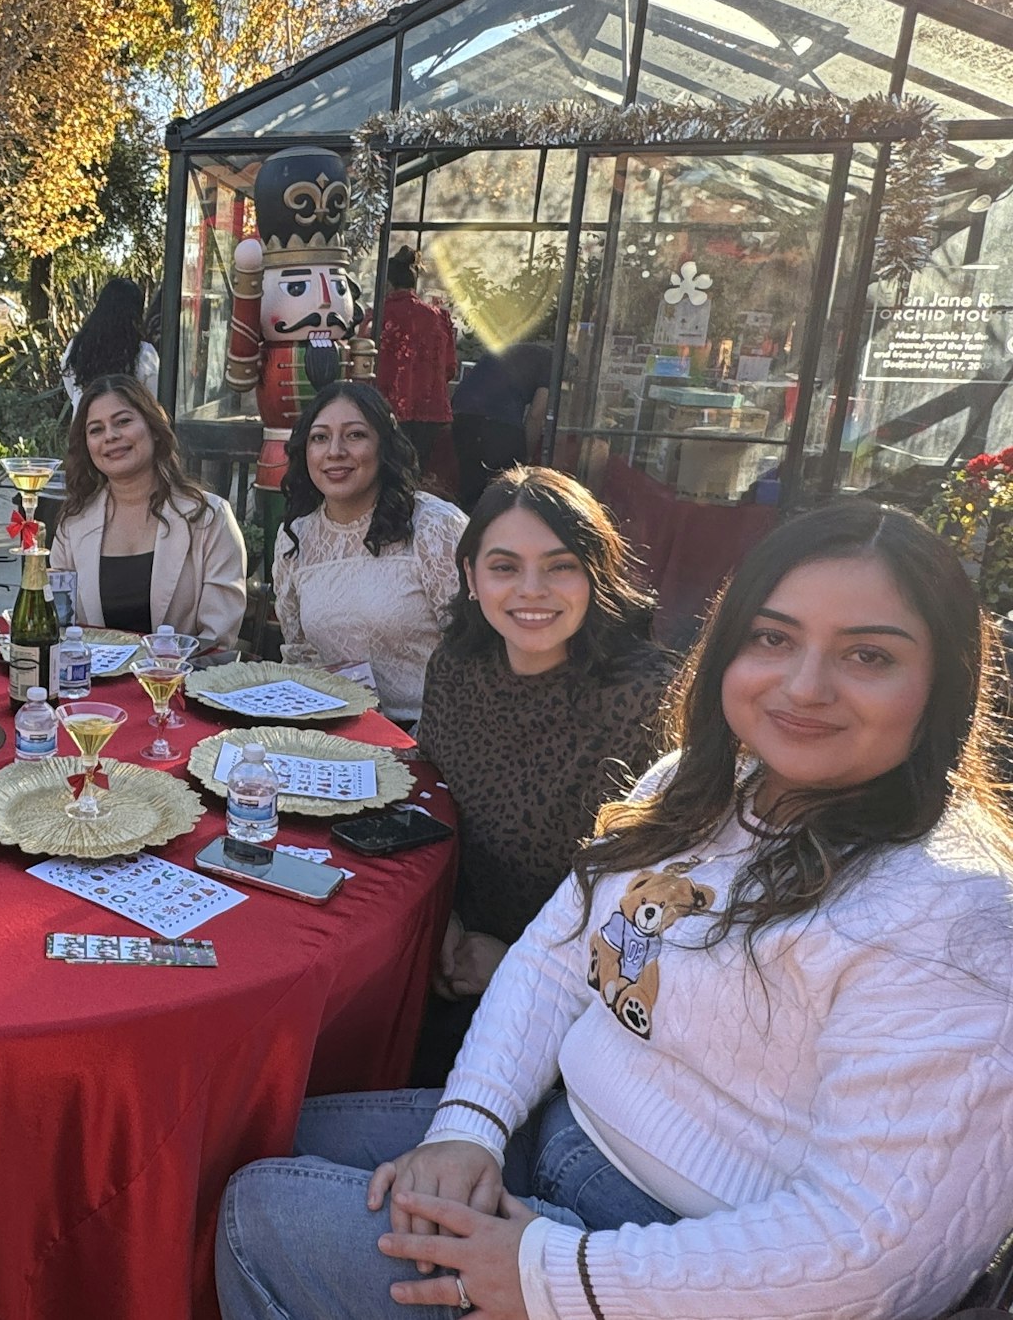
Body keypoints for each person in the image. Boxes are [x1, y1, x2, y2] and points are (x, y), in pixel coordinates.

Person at [218, 500, 1013, 1320]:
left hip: (689, 1253)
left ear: (942, 682)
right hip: (558, 1135)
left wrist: (554, 1277)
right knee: (239, 1141)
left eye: (868, 655)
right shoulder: (695, 786)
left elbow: (873, 1255)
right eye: (773, 638)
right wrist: (469, 1126)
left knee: (253, 1212)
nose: (805, 686)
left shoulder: (955, 914)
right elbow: (557, 956)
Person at [412, 467, 673, 1079]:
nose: (532, 589)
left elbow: (652, 908)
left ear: (596, 575)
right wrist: (438, 922)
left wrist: (514, 963)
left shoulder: (648, 699)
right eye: (504, 567)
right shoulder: (456, 667)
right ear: (471, 578)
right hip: (446, 954)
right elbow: (426, 807)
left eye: (560, 566)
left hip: (575, 1011)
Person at [274, 381, 467, 723]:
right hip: (336, 731)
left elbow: (472, 650)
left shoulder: (433, 526)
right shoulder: (295, 537)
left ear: (384, 446)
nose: (335, 451)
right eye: (320, 437)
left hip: (434, 734)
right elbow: (301, 655)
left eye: (355, 435)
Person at [50, 375, 246, 647]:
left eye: (123, 421)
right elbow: (58, 625)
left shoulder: (209, 517)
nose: (111, 436)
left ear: (153, 427)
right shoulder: (72, 525)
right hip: (91, 684)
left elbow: (217, 640)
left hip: (178, 683)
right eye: (96, 429)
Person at [375, 246, 457, 479]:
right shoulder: (438, 317)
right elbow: (450, 368)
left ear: (388, 283)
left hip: (385, 407)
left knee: (385, 474)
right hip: (430, 411)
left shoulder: (378, 316)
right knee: (415, 474)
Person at [451, 340, 553, 510]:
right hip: (499, 423)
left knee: (470, 489)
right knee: (506, 493)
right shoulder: (552, 364)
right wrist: (526, 455)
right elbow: (536, 415)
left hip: (462, 414)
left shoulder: (523, 351)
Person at [61, 277, 159, 414]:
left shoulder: (76, 347)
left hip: (85, 427)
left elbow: (71, 388)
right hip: (126, 431)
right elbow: (153, 401)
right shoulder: (145, 353)